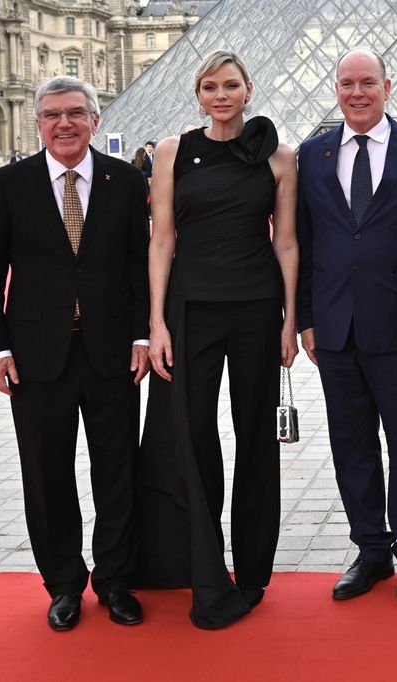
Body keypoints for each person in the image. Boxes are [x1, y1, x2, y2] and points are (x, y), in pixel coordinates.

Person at [0, 76, 151, 632]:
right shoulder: (10, 183)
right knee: (46, 475)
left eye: (76, 113)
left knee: (118, 470)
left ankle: (116, 580)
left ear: (95, 120)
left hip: (112, 351)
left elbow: (138, 265)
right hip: (34, 354)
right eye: (52, 115)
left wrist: (143, 336)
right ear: (38, 123)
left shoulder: (124, 180)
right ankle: (64, 585)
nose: (65, 124)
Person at [139, 50, 298, 630]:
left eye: (231, 85)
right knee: (195, 441)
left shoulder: (280, 158)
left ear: (249, 89)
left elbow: (286, 243)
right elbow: (161, 240)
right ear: (198, 94)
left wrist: (289, 318)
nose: (221, 95)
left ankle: (253, 572)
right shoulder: (171, 152)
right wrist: (156, 322)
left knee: (257, 437)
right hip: (190, 312)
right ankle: (208, 573)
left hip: (257, 310)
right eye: (210, 86)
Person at [295, 49, 397, 605]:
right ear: (335, 88)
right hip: (335, 330)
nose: (357, 93)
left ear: (388, 86)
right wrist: (306, 320)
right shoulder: (312, 154)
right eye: (347, 83)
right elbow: (303, 241)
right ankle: (370, 550)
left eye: (368, 83)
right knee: (352, 446)